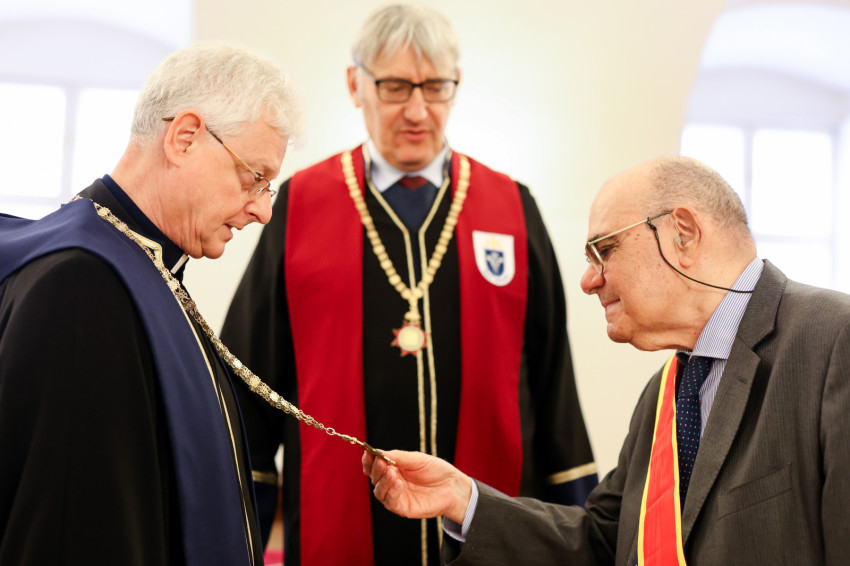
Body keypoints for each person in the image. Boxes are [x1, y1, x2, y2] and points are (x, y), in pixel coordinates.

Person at [220, 3, 597, 565]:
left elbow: (553, 383)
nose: (417, 110)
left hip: (490, 528)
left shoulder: (512, 209)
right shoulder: (300, 207)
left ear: (456, 84)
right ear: (356, 84)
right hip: (338, 528)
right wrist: (231, 530)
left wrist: (578, 526)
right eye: (395, 87)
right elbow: (248, 384)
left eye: (436, 87)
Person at [363, 155, 850, 565]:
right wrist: (463, 499)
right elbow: (603, 542)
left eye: (604, 250)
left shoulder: (834, 342)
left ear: (682, 233)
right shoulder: (666, 393)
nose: (588, 280)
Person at [0, 43, 302, 566]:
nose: (263, 210)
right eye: (255, 177)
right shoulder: (82, 284)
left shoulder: (141, 265)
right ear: (185, 138)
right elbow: (70, 529)